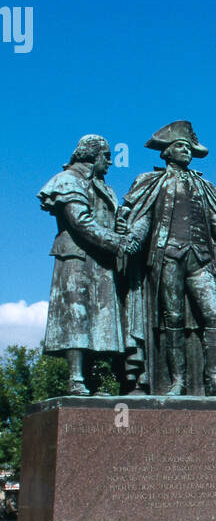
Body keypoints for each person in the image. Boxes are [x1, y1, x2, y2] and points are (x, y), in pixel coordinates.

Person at [120, 121, 216, 396]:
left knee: (214, 315)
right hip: (168, 257)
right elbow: (143, 219)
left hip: (200, 260)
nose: (186, 151)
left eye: (189, 147)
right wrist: (132, 241)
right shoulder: (152, 182)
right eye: (180, 146)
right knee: (174, 318)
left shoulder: (204, 186)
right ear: (166, 152)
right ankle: (177, 381)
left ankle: (213, 379)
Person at [37, 134, 127, 394]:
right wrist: (116, 242)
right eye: (106, 156)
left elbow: (108, 220)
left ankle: (93, 379)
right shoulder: (67, 181)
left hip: (100, 261)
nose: (110, 162)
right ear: (92, 155)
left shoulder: (105, 188)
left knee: (100, 320)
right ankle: (76, 378)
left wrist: (120, 228)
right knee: (78, 316)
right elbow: (80, 222)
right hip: (76, 258)